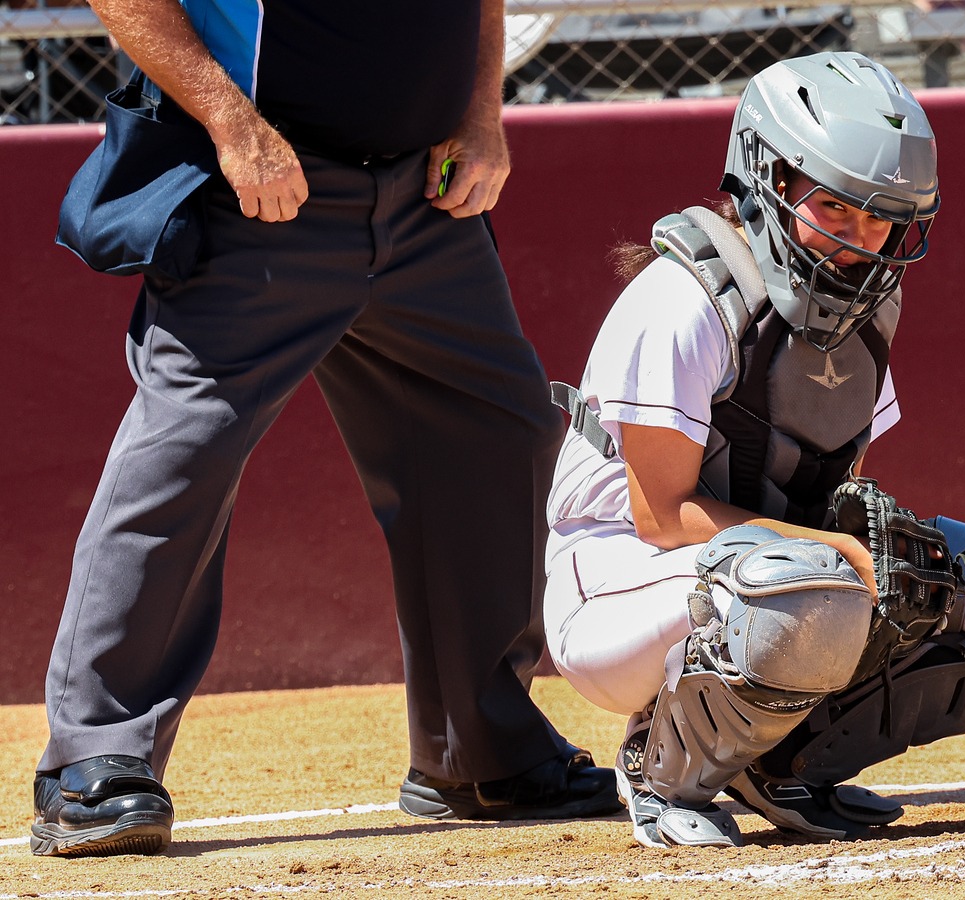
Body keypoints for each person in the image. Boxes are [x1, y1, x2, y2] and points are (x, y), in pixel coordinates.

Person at [31, 0, 620, 858]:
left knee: (500, 435)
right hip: (260, 190)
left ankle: (476, 751)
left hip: (427, 199)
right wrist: (234, 126)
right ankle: (92, 757)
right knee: (185, 451)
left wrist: (481, 116)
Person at [542, 50, 965, 849]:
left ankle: (782, 758)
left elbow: (826, 491)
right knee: (816, 587)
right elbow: (660, 515)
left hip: (762, 574)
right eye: (836, 208)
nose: (861, 241)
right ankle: (659, 762)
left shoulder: (863, 313)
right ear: (768, 178)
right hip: (615, 589)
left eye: (882, 218)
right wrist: (833, 554)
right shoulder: (682, 301)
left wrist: (884, 562)